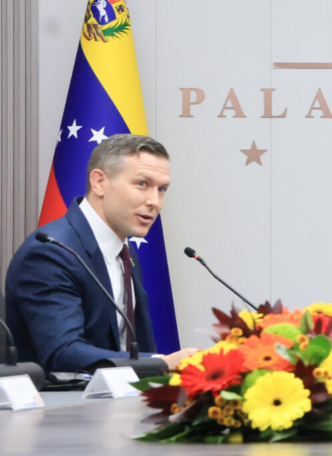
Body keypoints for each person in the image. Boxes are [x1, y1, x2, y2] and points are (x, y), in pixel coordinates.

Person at [5, 134, 197, 373]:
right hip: (63, 407)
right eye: (142, 184)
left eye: (162, 189)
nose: (154, 201)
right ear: (99, 182)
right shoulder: (51, 252)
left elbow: (136, 344)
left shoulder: (123, 251)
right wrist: (160, 363)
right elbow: (62, 353)